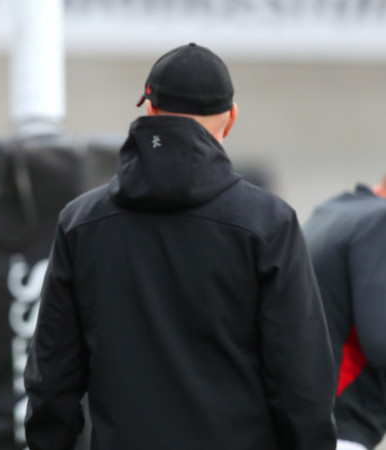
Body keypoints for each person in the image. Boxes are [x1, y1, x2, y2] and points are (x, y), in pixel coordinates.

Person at [24, 43, 337, 450]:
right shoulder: (268, 223)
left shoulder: (82, 223)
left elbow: (52, 380)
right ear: (231, 119)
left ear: (149, 110)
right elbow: (302, 383)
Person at [304, 177, 386, 450]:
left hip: (304, 418)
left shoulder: (333, 210)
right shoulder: (380, 221)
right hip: (341, 429)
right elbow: (380, 341)